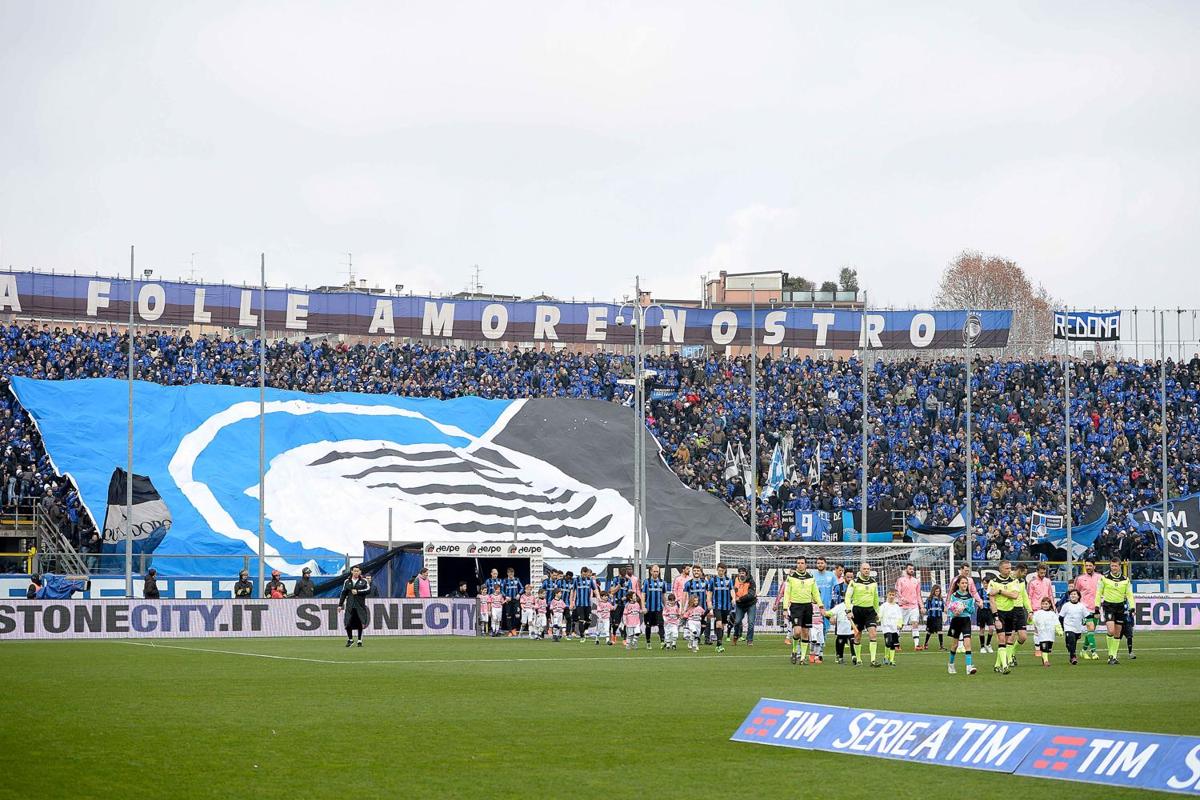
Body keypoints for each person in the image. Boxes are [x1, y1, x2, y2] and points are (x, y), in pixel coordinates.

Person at [781, 557, 822, 665]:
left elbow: (815, 593)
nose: (800, 565)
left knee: (805, 633)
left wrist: (821, 606)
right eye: (798, 563)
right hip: (795, 606)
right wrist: (785, 608)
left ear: (806, 565)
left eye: (802, 563)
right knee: (797, 632)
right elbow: (787, 593)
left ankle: (803, 658)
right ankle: (794, 650)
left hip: (807, 606)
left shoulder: (811, 578)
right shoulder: (791, 578)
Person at [1096, 557, 1136, 665]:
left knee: (1117, 633)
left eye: (1115, 566)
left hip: (1120, 607)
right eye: (1112, 566)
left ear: (1119, 566)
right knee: (1111, 630)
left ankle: (1112, 656)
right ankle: (1111, 654)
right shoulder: (1104, 578)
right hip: (1108, 606)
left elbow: (1129, 594)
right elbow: (1098, 593)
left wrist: (1132, 607)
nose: (1113, 568)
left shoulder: (1125, 580)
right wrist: (1096, 607)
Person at [987, 560, 1021, 674]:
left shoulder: (1014, 581)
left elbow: (1015, 595)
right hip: (999, 613)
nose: (1009, 570)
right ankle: (1005, 666)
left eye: (1010, 568)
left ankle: (997, 665)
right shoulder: (993, 582)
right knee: (1001, 639)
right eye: (1006, 568)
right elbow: (992, 601)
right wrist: (996, 618)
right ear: (1000, 569)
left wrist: (1000, 591)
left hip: (1010, 612)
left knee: (1006, 641)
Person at [847, 562, 881, 667]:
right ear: (860, 570)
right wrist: (848, 610)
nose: (866, 570)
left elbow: (876, 598)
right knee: (857, 636)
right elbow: (847, 597)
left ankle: (873, 660)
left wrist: (877, 611)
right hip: (857, 611)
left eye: (868, 569)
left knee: (873, 634)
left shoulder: (873, 582)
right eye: (864, 569)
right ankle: (858, 659)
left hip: (870, 611)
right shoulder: (854, 582)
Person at [946, 576, 977, 675]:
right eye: (963, 583)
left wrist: (965, 606)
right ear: (958, 584)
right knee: (954, 645)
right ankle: (951, 664)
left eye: (966, 583)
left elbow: (972, 611)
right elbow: (950, 610)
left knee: (967, 644)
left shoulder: (970, 596)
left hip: (966, 621)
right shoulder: (954, 596)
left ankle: (969, 667)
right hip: (956, 621)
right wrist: (955, 612)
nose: (964, 585)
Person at [1073, 560, 1102, 660]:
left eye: (1090, 565)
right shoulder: (1080, 579)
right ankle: (1094, 652)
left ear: (1094, 566)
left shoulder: (1100, 578)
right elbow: (1076, 592)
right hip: (1084, 608)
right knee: (1090, 627)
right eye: (1087, 565)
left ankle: (1083, 650)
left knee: (1091, 631)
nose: (1088, 567)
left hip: (1096, 608)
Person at [337, 565, 371, 647]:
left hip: (360, 606)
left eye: (357, 571)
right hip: (350, 605)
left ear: (360, 572)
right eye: (354, 571)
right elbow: (343, 593)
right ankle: (350, 639)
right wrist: (340, 605)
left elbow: (368, 590)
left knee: (360, 623)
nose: (356, 572)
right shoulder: (347, 581)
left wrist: (358, 591)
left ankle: (359, 640)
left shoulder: (364, 581)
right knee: (347, 623)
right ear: (352, 571)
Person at [811, 557, 836, 661]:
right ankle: (815, 652)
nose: (820, 565)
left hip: (827, 607)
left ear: (825, 564)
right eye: (818, 563)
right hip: (814, 607)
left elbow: (836, 589)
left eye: (822, 563)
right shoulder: (812, 575)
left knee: (824, 629)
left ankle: (819, 651)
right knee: (813, 630)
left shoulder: (831, 575)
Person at [895, 563, 923, 651]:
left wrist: (921, 606)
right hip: (903, 607)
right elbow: (897, 592)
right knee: (900, 625)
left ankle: (917, 645)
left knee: (915, 624)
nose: (912, 570)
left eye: (912, 569)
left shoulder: (916, 581)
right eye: (910, 569)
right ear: (906, 570)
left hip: (914, 606)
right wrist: (902, 599)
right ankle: (896, 644)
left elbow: (918, 594)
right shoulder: (900, 580)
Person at [707, 562, 735, 652]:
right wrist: (709, 602)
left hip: (726, 607)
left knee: (722, 625)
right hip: (717, 606)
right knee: (718, 623)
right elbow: (709, 592)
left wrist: (733, 598)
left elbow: (732, 590)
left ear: (725, 570)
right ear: (717, 570)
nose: (720, 572)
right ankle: (719, 645)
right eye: (719, 570)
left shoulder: (729, 580)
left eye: (722, 571)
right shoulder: (713, 580)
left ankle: (719, 642)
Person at [1009, 564, 1033, 664]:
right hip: (1010, 609)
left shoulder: (1022, 581)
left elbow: (1024, 596)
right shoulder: (1008, 578)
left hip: (1019, 610)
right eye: (1024, 573)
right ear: (1019, 570)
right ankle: (1009, 658)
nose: (1024, 575)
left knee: (1023, 637)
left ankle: (1012, 653)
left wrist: (1030, 610)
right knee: (1010, 636)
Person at [1059, 588, 1088, 665]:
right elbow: (1061, 617)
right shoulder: (1066, 605)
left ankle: (1070, 650)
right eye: (1071, 594)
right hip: (1068, 627)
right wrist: (1062, 627)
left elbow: (1087, 616)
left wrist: (1091, 618)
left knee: (1072, 643)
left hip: (1078, 628)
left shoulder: (1081, 606)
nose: (1073, 596)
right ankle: (1073, 657)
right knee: (1071, 639)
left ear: (1078, 596)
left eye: (1074, 594)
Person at [823, 598, 856, 664]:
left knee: (853, 641)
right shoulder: (839, 607)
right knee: (841, 642)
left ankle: (854, 656)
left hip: (851, 629)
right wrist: (830, 618)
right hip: (841, 630)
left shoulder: (854, 606)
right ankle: (839, 657)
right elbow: (827, 613)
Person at [642, 564, 667, 649]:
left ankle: (662, 641)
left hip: (659, 608)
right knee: (648, 626)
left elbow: (663, 595)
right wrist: (643, 606)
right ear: (651, 572)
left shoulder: (662, 582)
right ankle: (648, 642)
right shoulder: (646, 582)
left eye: (657, 571)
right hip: (649, 608)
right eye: (654, 571)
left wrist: (666, 606)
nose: (656, 573)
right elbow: (643, 594)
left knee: (661, 624)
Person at [731, 566, 757, 646]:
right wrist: (732, 598)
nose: (741, 574)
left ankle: (749, 640)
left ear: (746, 574)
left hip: (750, 604)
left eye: (743, 573)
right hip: (740, 605)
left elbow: (751, 595)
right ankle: (736, 636)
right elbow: (731, 590)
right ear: (738, 574)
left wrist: (740, 599)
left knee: (751, 622)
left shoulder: (751, 581)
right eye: (740, 573)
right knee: (737, 622)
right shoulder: (734, 581)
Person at [683, 566, 710, 644]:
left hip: (703, 607)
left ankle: (705, 638)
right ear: (692, 572)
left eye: (698, 570)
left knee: (705, 623)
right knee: (694, 623)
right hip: (692, 609)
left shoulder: (705, 582)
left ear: (701, 572)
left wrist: (709, 604)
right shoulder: (688, 583)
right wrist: (683, 608)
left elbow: (709, 594)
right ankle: (695, 637)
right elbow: (684, 596)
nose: (696, 572)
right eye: (694, 571)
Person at [572, 567, 598, 640]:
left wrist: (598, 597)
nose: (584, 576)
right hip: (579, 604)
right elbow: (572, 591)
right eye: (583, 574)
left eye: (586, 574)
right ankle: (582, 636)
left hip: (588, 604)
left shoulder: (590, 580)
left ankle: (582, 631)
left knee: (588, 621)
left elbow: (595, 589)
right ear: (581, 573)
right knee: (581, 619)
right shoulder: (576, 580)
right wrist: (571, 602)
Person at [1032, 597, 1059, 667]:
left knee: (1048, 648)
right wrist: (1032, 623)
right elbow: (1033, 620)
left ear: (1050, 604)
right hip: (1042, 634)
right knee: (1044, 647)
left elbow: (1056, 622)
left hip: (1050, 634)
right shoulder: (1038, 613)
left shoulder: (1052, 614)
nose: (1044, 605)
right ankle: (1046, 661)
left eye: (1046, 604)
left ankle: (1044, 658)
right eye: (1043, 604)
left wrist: (1059, 630)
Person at [879, 590, 903, 666]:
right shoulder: (883, 606)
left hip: (894, 627)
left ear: (895, 596)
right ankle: (886, 657)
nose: (891, 596)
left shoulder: (897, 607)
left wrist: (899, 624)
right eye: (890, 595)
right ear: (887, 595)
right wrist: (878, 618)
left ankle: (892, 660)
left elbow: (900, 617)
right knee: (888, 642)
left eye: (893, 595)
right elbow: (880, 615)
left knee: (893, 644)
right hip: (886, 627)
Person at [502, 567, 523, 636]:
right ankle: (510, 631)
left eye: (512, 573)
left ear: (513, 573)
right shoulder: (505, 580)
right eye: (510, 573)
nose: (511, 575)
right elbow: (502, 590)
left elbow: (522, 588)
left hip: (516, 600)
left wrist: (519, 594)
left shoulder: (517, 579)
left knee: (517, 615)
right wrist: (505, 596)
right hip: (508, 601)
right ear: (507, 573)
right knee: (509, 616)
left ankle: (514, 628)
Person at [923, 584, 944, 651]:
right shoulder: (929, 599)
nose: (937, 593)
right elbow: (926, 607)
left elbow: (943, 608)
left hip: (939, 617)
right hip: (931, 617)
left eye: (938, 591)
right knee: (929, 631)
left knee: (940, 631)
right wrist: (924, 610)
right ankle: (926, 643)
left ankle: (941, 646)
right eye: (936, 591)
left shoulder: (941, 599)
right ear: (933, 591)